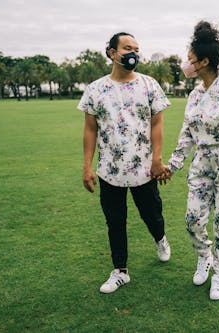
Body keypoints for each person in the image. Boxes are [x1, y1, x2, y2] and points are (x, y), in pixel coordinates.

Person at [163, 21, 219, 300]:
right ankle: (204, 256)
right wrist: (173, 165)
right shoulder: (195, 94)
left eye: (190, 60)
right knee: (193, 220)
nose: (187, 65)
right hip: (201, 165)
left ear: (204, 61)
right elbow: (187, 133)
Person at [78, 32, 171, 294]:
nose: (133, 54)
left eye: (137, 49)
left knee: (151, 215)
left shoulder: (149, 84)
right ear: (112, 53)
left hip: (143, 169)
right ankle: (120, 271)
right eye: (127, 48)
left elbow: (157, 123)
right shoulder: (96, 89)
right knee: (115, 221)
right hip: (110, 171)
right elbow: (89, 129)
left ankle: (160, 239)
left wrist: (157, 160)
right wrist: (87, 166)